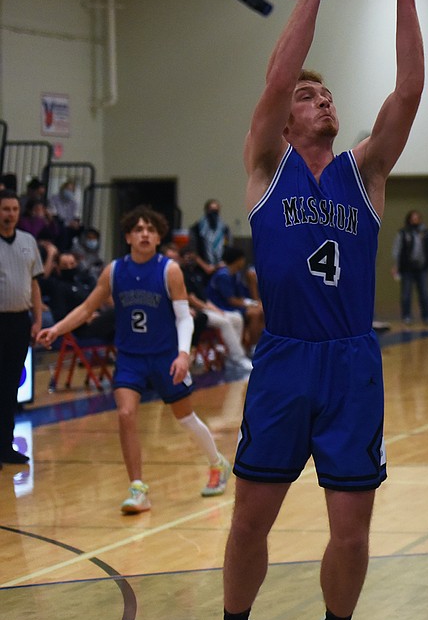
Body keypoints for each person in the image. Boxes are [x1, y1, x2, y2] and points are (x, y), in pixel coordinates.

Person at [215, 0, 422, 620]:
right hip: (284, 359)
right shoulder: (266, 170)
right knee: (249, 520)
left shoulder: (361, 173)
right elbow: (275, 81)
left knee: (351, 529)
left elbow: (406, 92)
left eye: (326, 96)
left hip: (351, 362)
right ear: (286, 120)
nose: (321, 101)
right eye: (310, 98)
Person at [37, 206, 230, 512]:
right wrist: (57, 329)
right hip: (130, 357)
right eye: (138, 229)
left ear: (158, 236)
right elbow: (88, 309)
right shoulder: (114, 271)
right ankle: (138, 489)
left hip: (166, 356)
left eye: (150, 230)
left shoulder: (169, 270)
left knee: (185, 418)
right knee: (126, 415)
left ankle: (217, 462)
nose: (144, 234)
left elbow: (185, 318)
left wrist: (183, 354)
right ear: (127, 236)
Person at [0, 189, 43, 464]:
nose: (10, 214)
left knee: (10, 387)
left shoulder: (28, 241)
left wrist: (37, 320)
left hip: (19, 322)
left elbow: (35, 283)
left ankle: (6, 445)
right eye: (5, 209)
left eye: (15, 209)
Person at [164, 244, 252, 374]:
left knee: (237, 318)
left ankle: (230, 356)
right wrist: (211, 310)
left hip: (206, 308)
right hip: (196, 311)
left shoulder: (194, 273)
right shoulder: (178, 273)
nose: (190, 258)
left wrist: (216, 310)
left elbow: (205, 299)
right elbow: (192, 299)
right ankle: (238, 357)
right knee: (225, 322)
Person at [206, 246, 264, 350]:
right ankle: (253, 347)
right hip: (221, 306)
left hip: (234, 304)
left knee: (261, 310)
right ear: (238, 260)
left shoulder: (235, 274)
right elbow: (231, 300)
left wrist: (254, 303)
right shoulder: (223, 275)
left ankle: (258, 343)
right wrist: (251, 304)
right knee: (255, 314)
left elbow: (240, 296)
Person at [391, 209, 428, 323]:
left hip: (422, 268)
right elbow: (397, 250)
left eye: (417, 218)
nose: (415, 220)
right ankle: (406, 316)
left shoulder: (426, 233)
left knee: (424, 293)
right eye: (412, 218)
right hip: (407, 268)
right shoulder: (403, 233)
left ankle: (426, 316)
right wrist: (396, 265)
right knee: (406, 294)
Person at [189, 199, 231, 284]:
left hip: (220, 268)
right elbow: (193, 250)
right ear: (206, 210)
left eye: (216, 210)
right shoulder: (197, 228)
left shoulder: (224, 229)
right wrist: (206, 267)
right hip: (202, 268)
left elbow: (228, 247)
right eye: (211, 210)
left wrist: (221, 264)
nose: (214, 213)